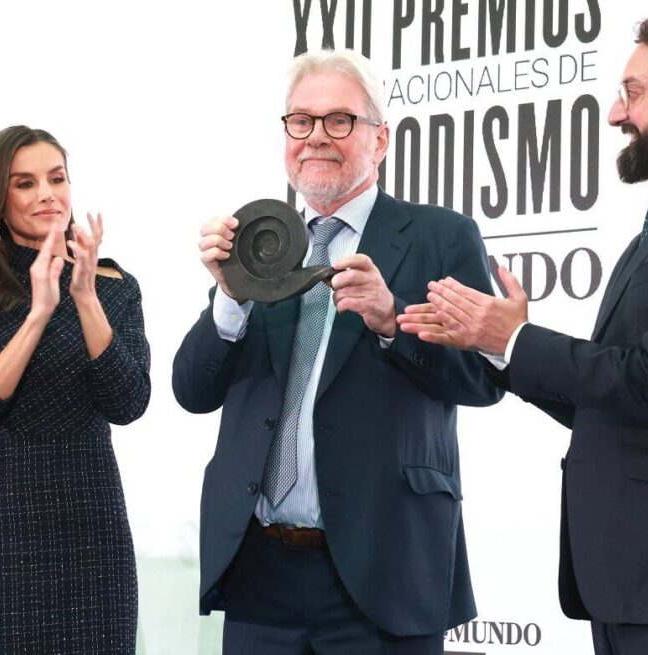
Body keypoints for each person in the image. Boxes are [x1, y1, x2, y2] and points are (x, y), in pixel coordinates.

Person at [398, 12, 648, 655]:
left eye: (633, 93)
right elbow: (611, 401)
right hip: (637, 583)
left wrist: (513, 340)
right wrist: (498, 347)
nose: (615, 114)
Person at [172, 49, 502, 653]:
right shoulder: (261, 243)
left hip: (384, 568)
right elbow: (192, 391)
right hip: (258, 570)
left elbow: (481, 380)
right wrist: (229, 298)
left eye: (339, 121)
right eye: (301, 120)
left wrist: (390, 322)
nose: (316, 137)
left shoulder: (440, 236)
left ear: (380, 140)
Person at [0, 126, 150, 654]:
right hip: (1, 541)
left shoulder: (112, 286)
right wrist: (38, 314)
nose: (47, 194)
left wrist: (83, 297)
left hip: (93, 535)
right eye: (25, 184)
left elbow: (129, 402)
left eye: (56, 178)